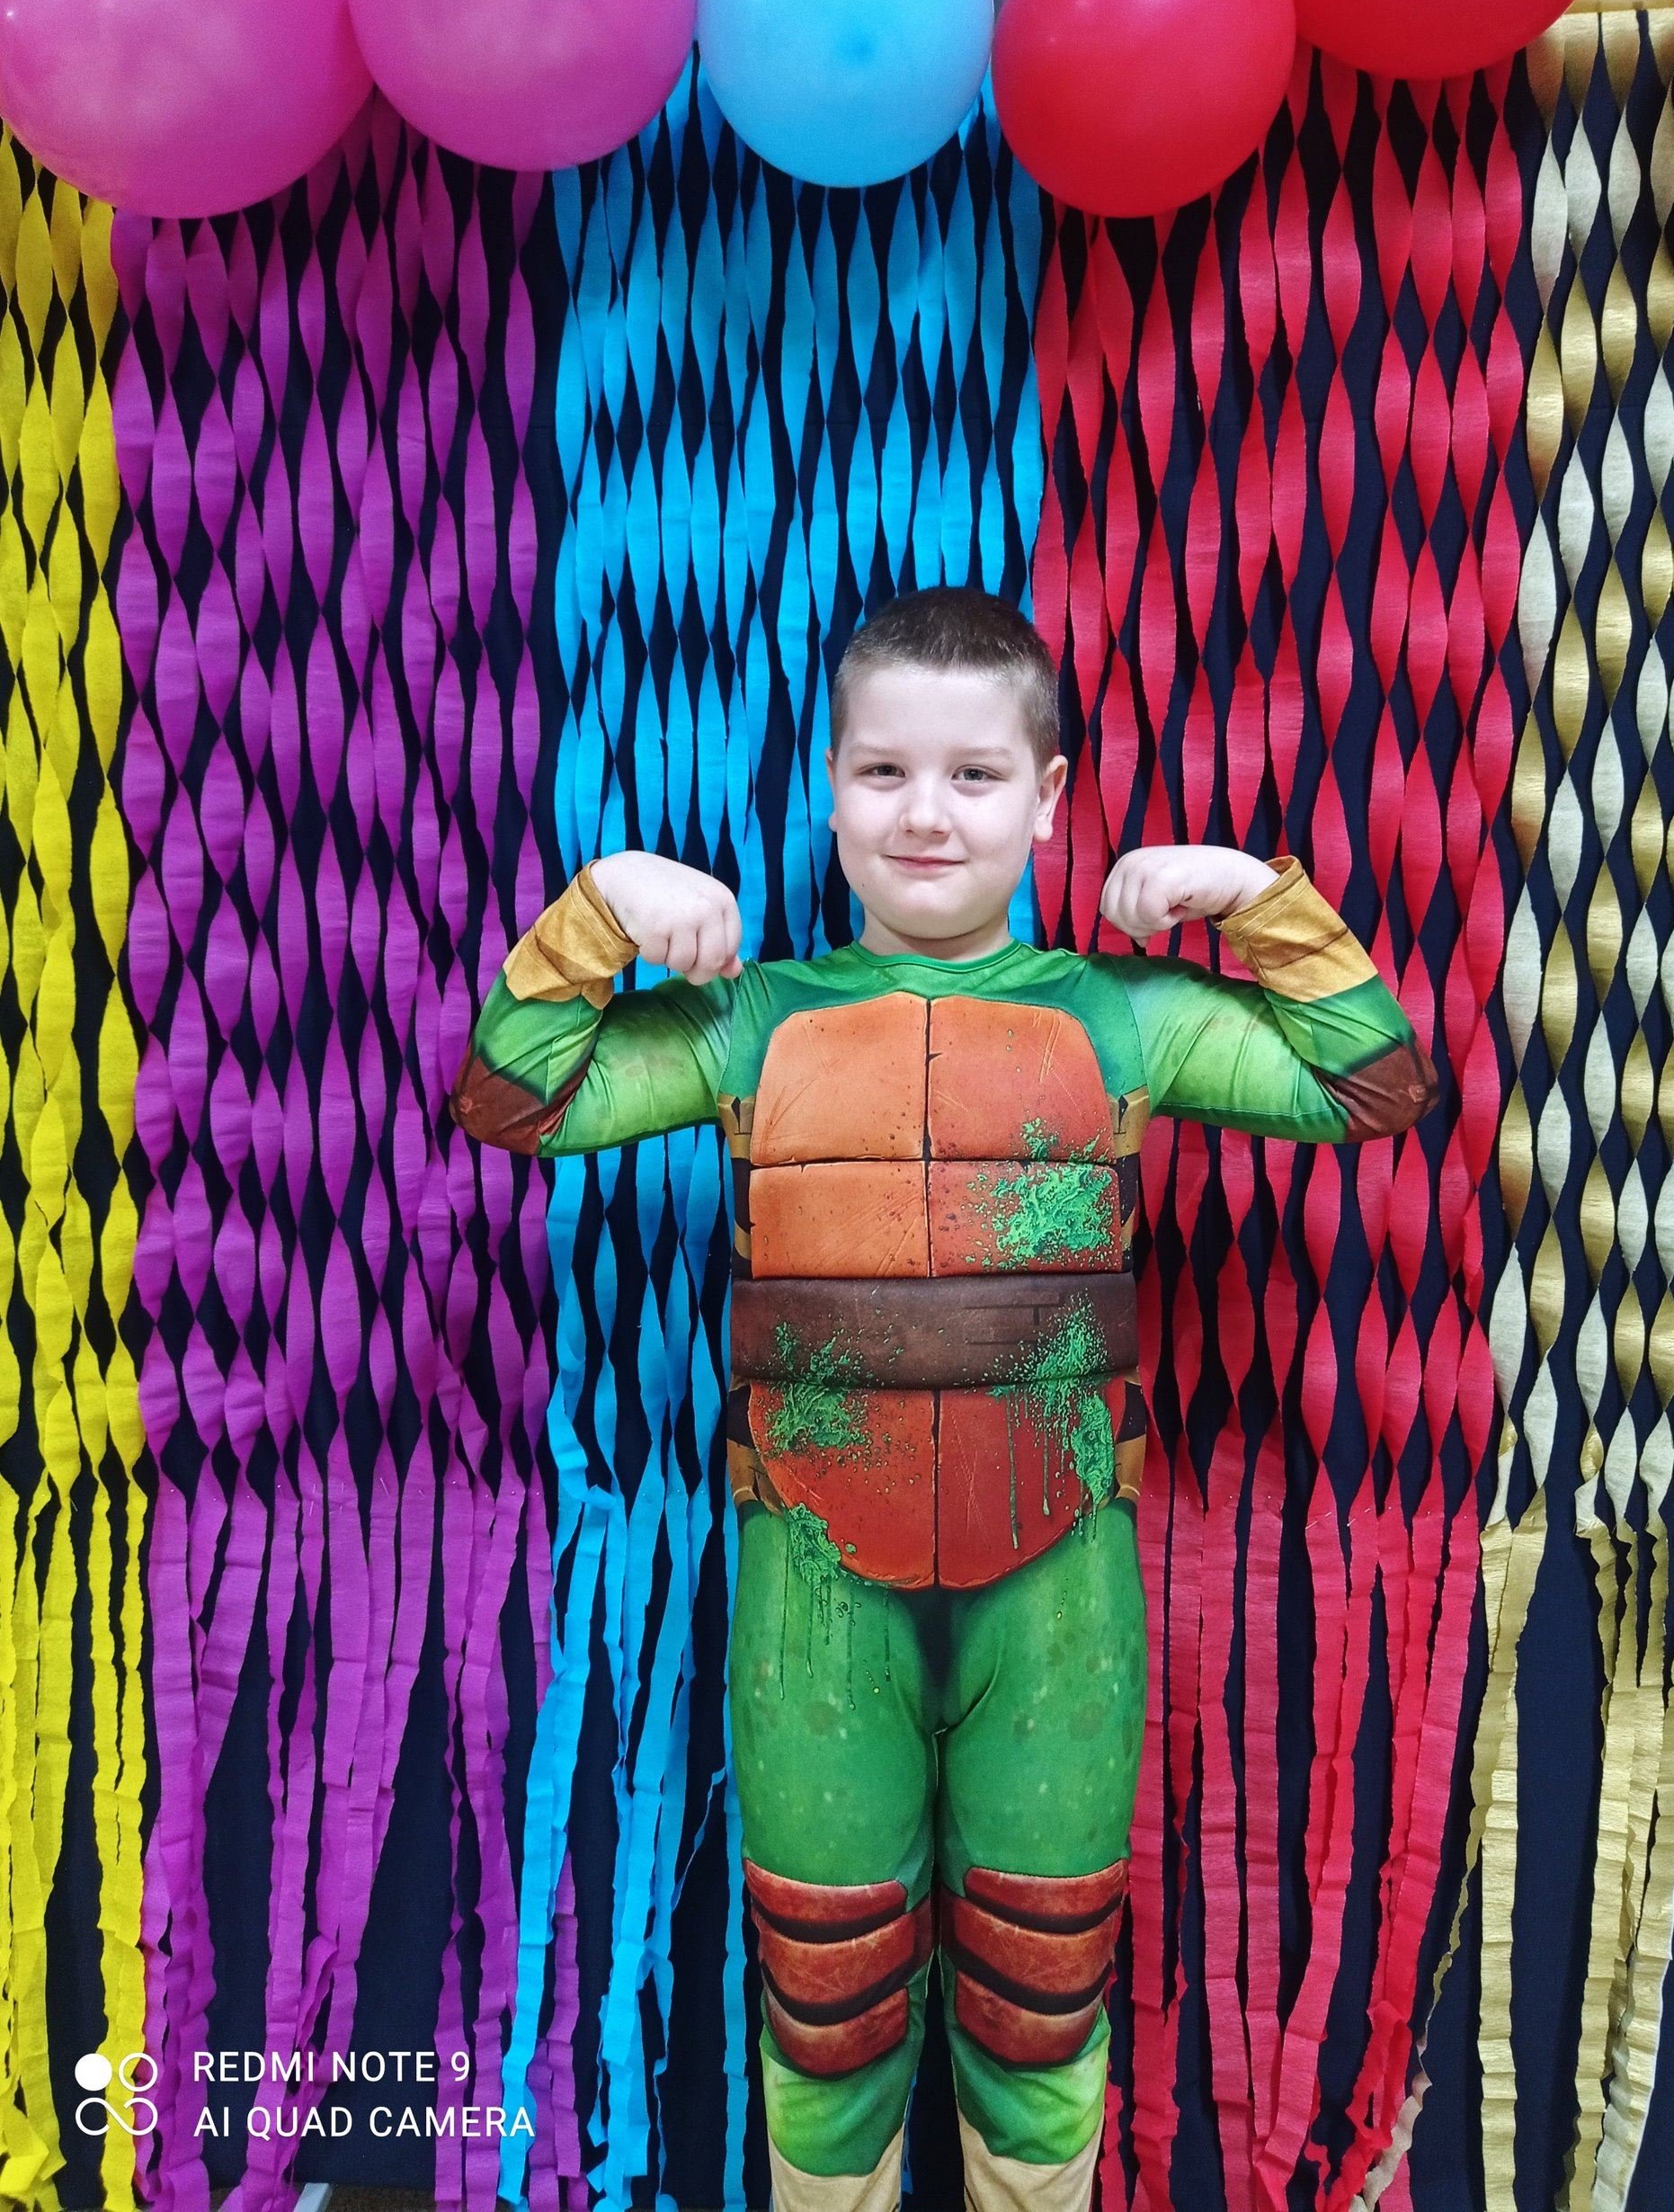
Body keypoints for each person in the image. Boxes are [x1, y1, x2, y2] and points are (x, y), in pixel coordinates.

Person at [449, 587, 1439, 2212]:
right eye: (884, 772)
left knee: (1042, 2005)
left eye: (975, 776)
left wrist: (1252, 897)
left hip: (1058, 1601)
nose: (926, 814)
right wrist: (600, 908)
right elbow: (515, 1099)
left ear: (1049, 800)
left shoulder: (1118, 1016)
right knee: (824, 2009)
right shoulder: (751, 1023)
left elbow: (1372, 1080)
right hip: (813, 1597)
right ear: (829, 795)